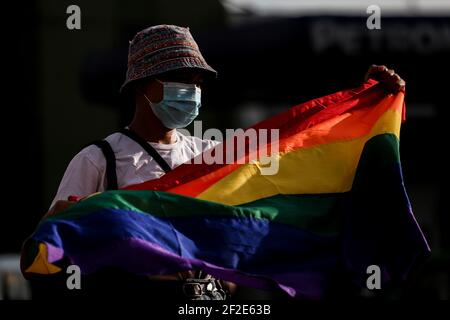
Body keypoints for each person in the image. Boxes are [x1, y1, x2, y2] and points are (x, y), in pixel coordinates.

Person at [46, 24, 405, 299]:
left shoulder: (211, 157)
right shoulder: (98, 160)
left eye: (198, 81)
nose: (193, 91)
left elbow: (296, 162)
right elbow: (50, 248)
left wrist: (360, 109)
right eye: (182, 79)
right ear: (145, 85)